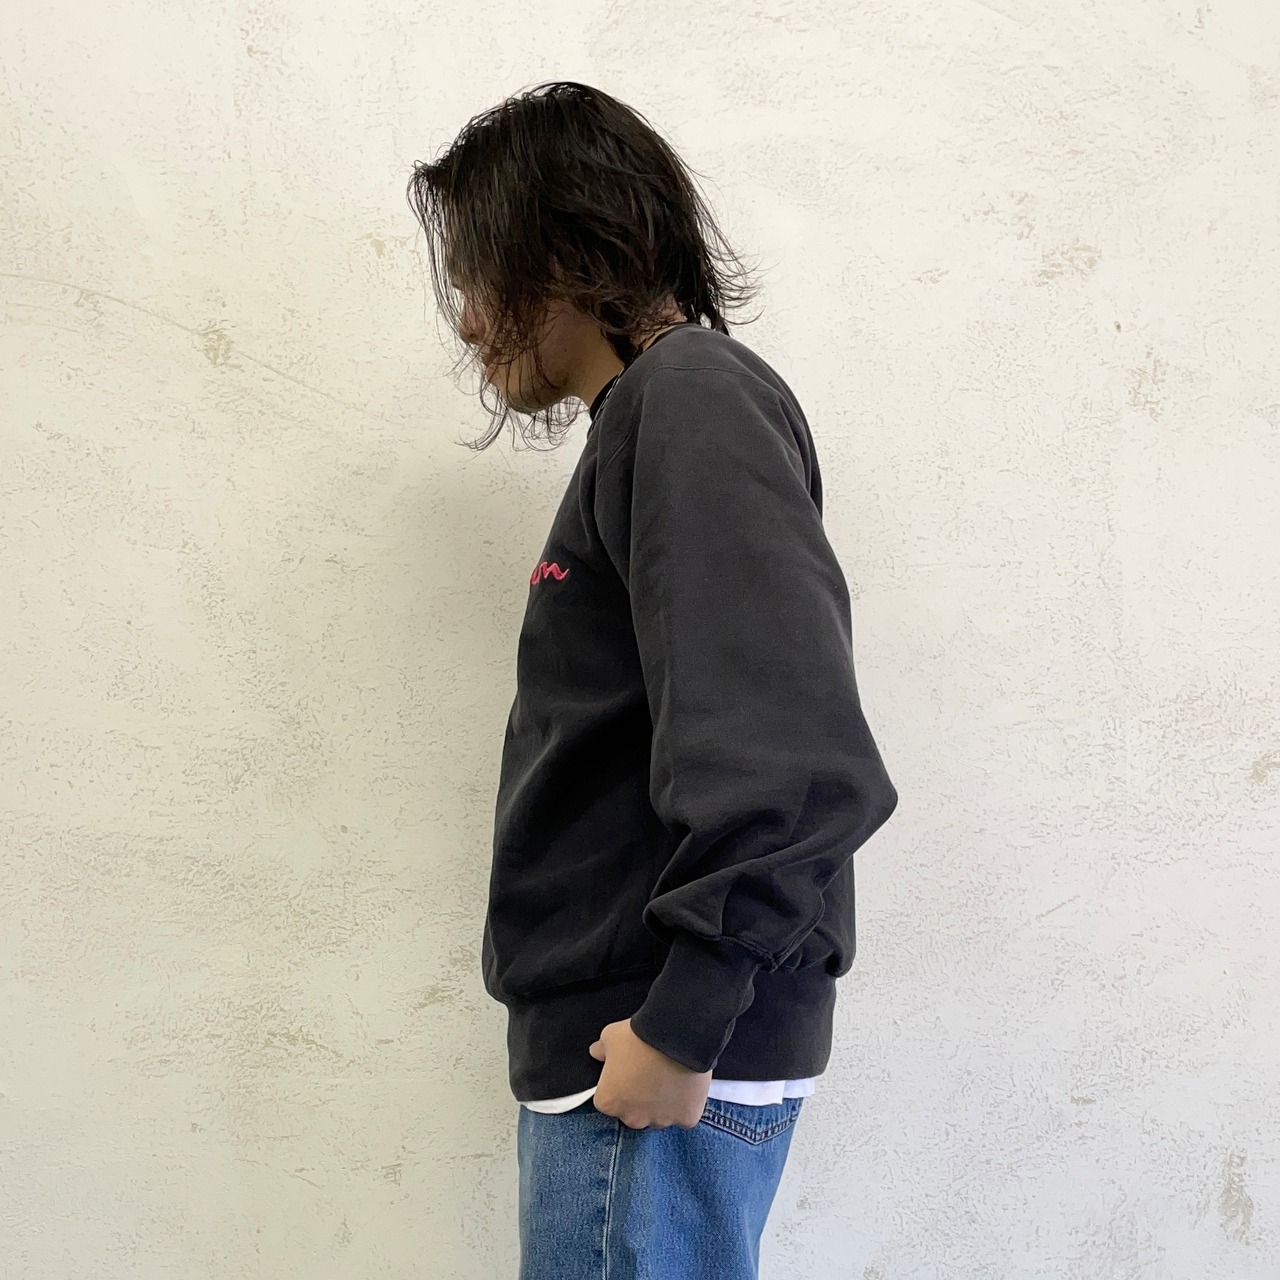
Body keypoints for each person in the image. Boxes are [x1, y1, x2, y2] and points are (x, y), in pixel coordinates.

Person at [407, 80, 898, 1280]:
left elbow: (788, 746)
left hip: (649, 1049)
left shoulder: (688, 399)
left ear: (560, 251)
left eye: (476, 274)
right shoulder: (659, 412)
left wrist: (683, 1017)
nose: (466, 320)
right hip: (642, 1039)